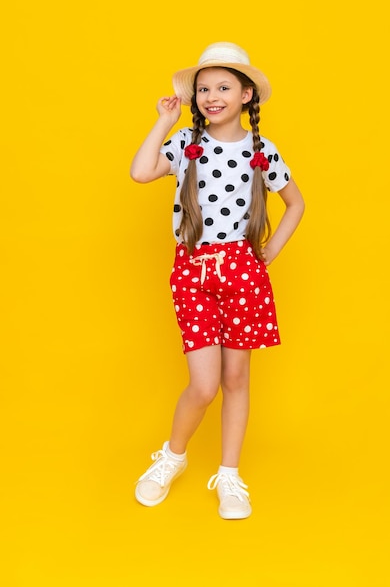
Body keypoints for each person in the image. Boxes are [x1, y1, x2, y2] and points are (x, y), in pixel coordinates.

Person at [130, 42, 304, 519]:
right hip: (194, 269)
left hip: (243, 271)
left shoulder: (261, 150)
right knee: (204, 385)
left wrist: (268, 252)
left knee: (236, 376)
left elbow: (296, 204)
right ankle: (173, 457)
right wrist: (164, 121)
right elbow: (141, 172)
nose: (212, 95)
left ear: (247, 95)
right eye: (204, 88)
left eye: (224, 87)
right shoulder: (186, 144)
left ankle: (230, 474)